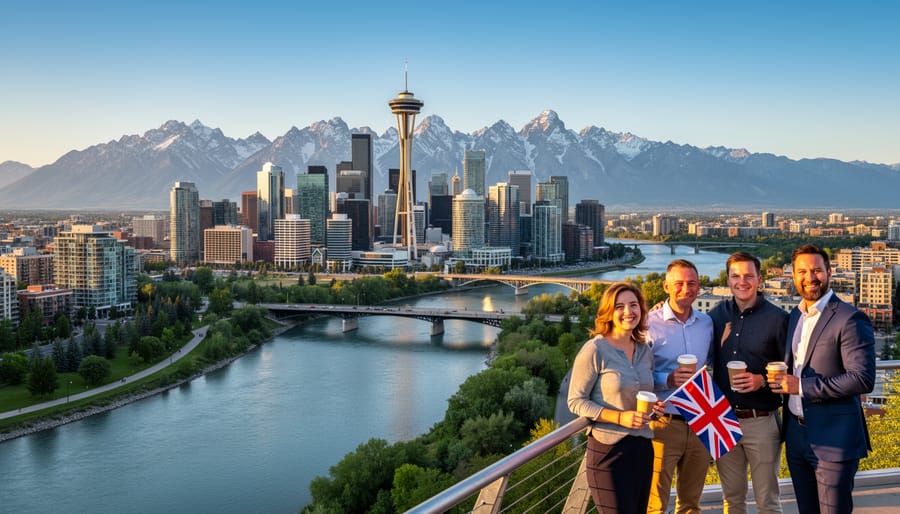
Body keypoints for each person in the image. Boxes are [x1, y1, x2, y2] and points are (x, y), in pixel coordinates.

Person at [769, 244, 875, 514]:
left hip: (834, 438)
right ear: (793, 276)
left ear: (829, 272)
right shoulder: (796, 316)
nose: (810, 277)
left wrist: (801, 387)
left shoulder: (849, 318)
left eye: (817, 270)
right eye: (802, 271)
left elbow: (862, 379)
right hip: (796, 435)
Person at [568, 282, 666, 514]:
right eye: (619, 306)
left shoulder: (644, 351)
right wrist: (619, 418)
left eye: (633, 305)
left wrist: (655, 408)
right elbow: (575, 400)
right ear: (609, 312)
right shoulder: (595, 349)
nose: (627, 312)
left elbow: (640, 390)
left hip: (642, 448)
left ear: (641, 310)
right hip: (608, 452)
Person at [709, 252, 787, 514]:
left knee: (768, 501)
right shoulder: (716, 315)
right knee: (732, 499)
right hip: (724, 421)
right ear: (728, 280)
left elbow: (792, 370)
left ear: (759, 279)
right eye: (735, 276)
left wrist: (762, 380)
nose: (742, 281)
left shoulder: (778, 319)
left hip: (762, 421)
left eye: (748, 276)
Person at [647, 259, 714, 514]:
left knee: (690, 504)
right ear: (666, 286)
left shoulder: (708, 324)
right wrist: (668, 379)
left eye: (692, 283)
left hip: (699, 420)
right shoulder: (647, 324)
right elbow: (635, 375)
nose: (686, 289)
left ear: (699, 287)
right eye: (679, 283)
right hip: (663, 424)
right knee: (654, 504)